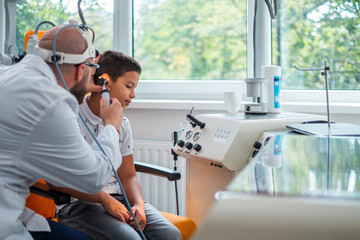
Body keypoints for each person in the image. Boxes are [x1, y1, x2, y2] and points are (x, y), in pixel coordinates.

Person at [0, 25, 124, 240]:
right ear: (80, 70)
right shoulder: (51, 103)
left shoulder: (6, 74)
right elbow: (93, 178)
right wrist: (111, 125)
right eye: (90, 71)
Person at [52, 50, 182, 240]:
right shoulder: (71, 117)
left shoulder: (124, 123)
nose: (133, 95)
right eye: (129, 86)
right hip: (78, 204)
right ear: (104, 81)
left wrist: (139, 205)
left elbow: (128, 175)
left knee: (170, 234)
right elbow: (58, 180)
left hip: (117, 198)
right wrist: (103, 199)